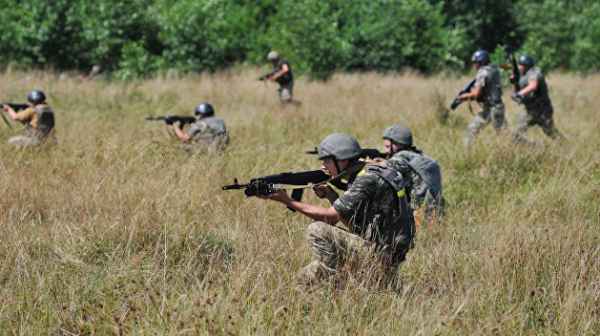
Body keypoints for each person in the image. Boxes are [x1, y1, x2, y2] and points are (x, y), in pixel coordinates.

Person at [260, 133, 414, 287]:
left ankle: (334, 281)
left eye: (327, 160)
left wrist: (287, 200)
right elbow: (354, 222)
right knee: (301, 280)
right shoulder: (370, 171)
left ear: (343, 160)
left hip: (381, 255)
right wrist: (331, 195)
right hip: (387, 253)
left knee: (318, 229)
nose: (323, 166)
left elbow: (330, 217)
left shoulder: (366, 179)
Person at [382, 125, 443, 228]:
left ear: (397, 144)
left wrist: (368, 162)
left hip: (419, 211)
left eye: (388, 147)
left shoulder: (402, 156)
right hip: (434, 208)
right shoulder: (417, 156)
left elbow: (386, 166)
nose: (386, 151)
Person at [511, 54, 564, 144]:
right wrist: (514, 82)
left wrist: (520, 93)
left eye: (521, 65)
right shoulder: (523, 76)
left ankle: (565, 145)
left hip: (542, 110)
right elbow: (518, 93)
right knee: (516, 133)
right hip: (530, 110)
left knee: (550, 131)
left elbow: (533, 86)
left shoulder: (534, 72)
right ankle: (535, 147)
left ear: (526, 65)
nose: (519, 67)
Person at [457, 50, 507, 146]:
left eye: (475, 62)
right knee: (472, 129)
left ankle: (527, 146)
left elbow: (476, 94)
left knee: (504, 134)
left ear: (481, 62)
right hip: (492, 107)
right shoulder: (493, 69)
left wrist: (464, 96)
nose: (474, 65)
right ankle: (467, 152)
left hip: (493, 109)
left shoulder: (482, 72)